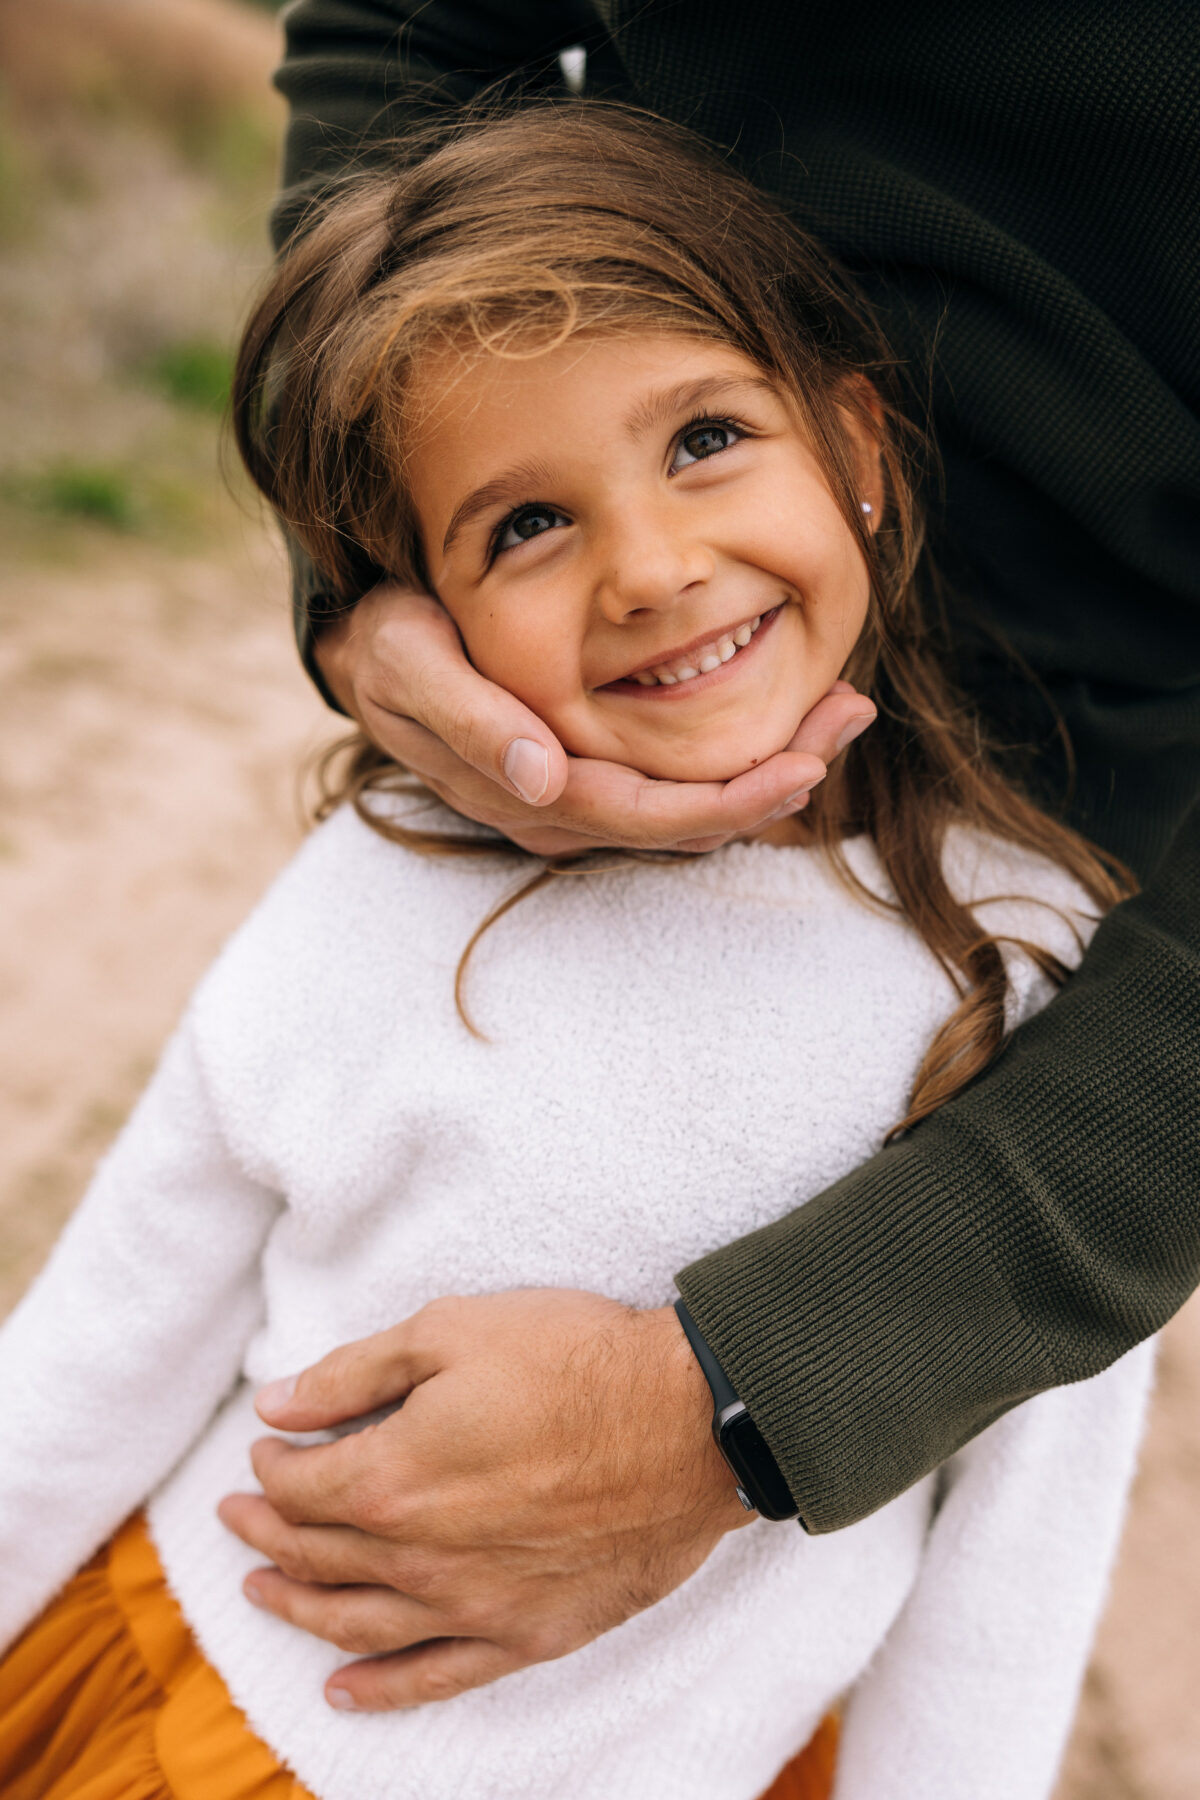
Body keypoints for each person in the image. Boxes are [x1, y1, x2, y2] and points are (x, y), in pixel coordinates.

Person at [0, 105, 1156, 1800]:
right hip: (202, 1737)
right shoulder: (388, 880)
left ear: (859, 444)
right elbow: (94, 1360)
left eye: (702, 439)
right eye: (523, 525)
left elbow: (1008, 1586)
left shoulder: (1044, 973)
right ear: (415, 627)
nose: (653, 568)